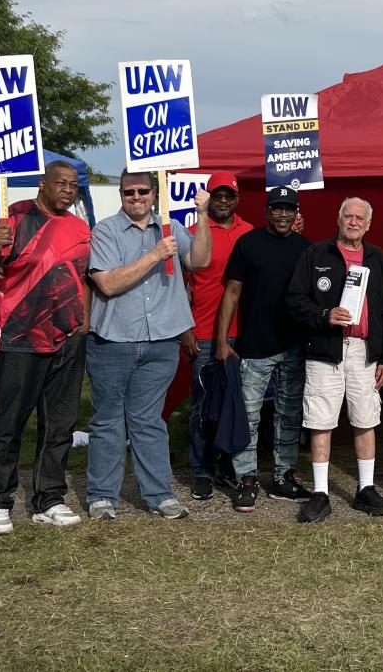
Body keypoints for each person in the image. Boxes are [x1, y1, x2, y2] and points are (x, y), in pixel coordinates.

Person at [84, 170, 213, 521]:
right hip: (113, 341)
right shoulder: (106, 230)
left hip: (161, 344)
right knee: (109, 420)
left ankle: (159, 494)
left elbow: (199, 261)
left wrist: (202, 217)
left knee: (149, 421)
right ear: (121, 195)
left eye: (143, 190)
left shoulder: (172, 228)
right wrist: (156, 255)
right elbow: (108, 284)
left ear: (155, 193)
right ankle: (102, 497)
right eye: (129, 191)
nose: (136, 197)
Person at [0, 161, 91, 535]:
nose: (68, 191)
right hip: (19, 337)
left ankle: (49, 498)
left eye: (73, 185)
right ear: (43, 184)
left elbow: (83, 277)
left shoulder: (79, 226)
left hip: (68, 339)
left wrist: (83, 321)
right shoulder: (13, 217)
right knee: (9, 421)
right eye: (60, 183)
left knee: (59, 423)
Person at [286, 197, 383, 523]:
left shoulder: (378, 257)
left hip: (365, 352)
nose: (353, 222)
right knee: (320, 420)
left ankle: (365, 489)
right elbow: (294, 300)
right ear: (338, 220)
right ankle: (320, 493)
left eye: (359, 218)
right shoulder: (317, 254)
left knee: (366, 419)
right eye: (347, 216)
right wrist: (324, 314)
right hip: (325, 350)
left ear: (368, 224)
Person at [213, 186, 312, 512]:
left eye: (289, 209)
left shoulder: (307, 249)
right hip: (254, 349)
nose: (283, 214)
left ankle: (283, 477)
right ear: (266, 211)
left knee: (289, 416)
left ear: (296, 214)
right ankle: (246, 479)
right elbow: (232, 293)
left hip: (294, 347)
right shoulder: (248, 243)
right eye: (277, 208)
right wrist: (222, 339)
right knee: (249, 418)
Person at [181, 172, 252, 502]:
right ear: (208, 197)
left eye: (229, 196)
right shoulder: (194, 231)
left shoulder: (249, 233)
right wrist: (186, 328)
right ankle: (201, 471)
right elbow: (179, 286)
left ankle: (228, 467)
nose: (223, 201)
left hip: (243, 335)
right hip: (204, 333)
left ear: (237, 199)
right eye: (218, 195)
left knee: (236, 406)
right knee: (202, 408)